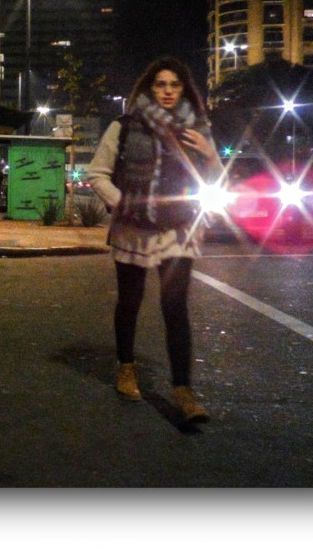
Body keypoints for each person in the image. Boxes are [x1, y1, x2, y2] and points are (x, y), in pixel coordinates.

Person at [86, 56, 224, 424]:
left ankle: (183, 389)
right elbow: (96, 173)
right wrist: (124, 204)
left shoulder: (197, 129)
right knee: (129, 301)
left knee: (175, 306)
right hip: (134, 229)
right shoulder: (126, 126)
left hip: (180, 230)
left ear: (183, 89)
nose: (166, 91)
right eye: (160, 85)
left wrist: (210, 155)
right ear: (149, 88)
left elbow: (216, 180)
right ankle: (126, 367)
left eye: (173, 85)